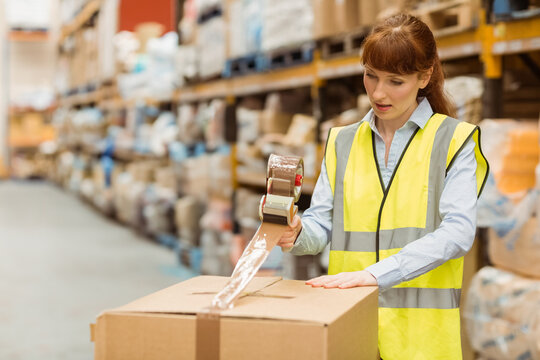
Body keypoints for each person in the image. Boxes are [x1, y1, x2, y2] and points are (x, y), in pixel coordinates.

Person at [277, 13, 489, 360]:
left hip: (420, 342)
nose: (378, 92)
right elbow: (323, 222)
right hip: (352, 329)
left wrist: (375, 275)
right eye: (370, 76)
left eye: (395, 81)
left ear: (425, 76)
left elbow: (458, 233)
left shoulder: (454, 141)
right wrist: (297, 233)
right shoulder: (341, 142)